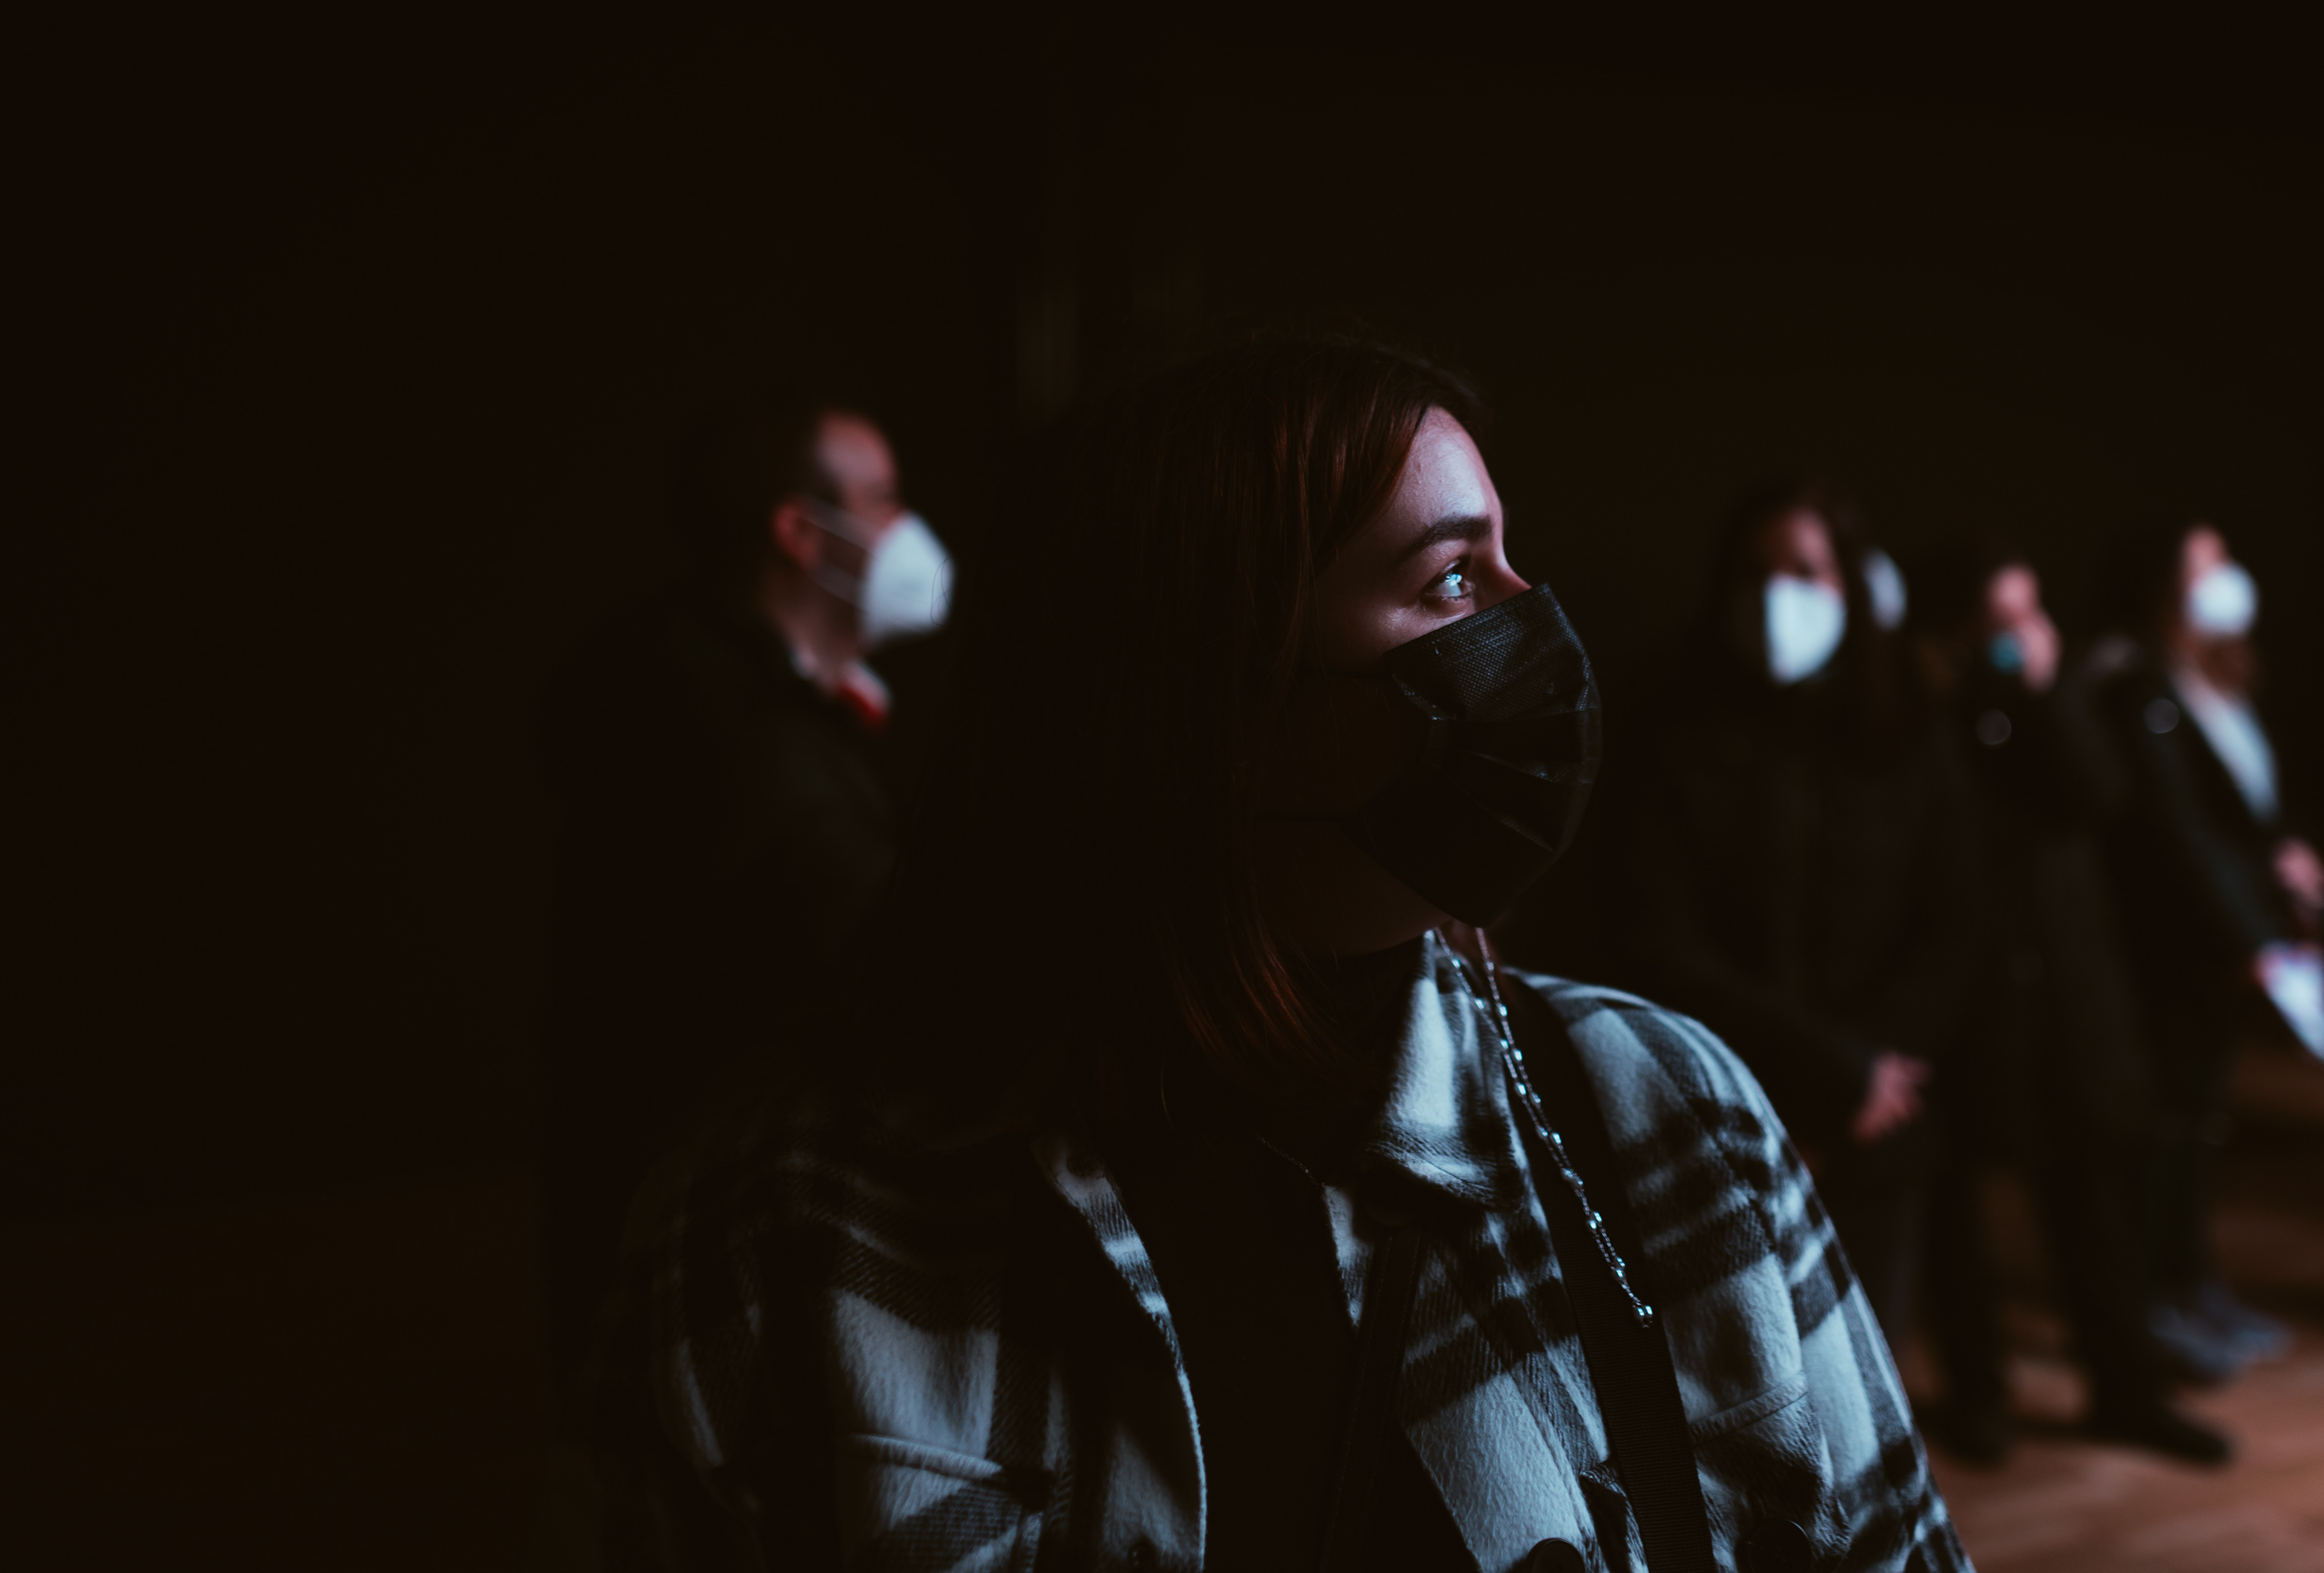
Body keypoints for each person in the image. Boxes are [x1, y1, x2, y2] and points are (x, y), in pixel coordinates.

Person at [599, 339, 1966, 1572]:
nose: (1532, 623)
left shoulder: (1667, 1110)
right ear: (1217, 698)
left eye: (1508, 560)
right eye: (1451, 578)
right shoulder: (781, 1239)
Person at [538, 395, 953, 1389]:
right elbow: (881, 970)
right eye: (884, 497)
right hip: (714, 1244)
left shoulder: (763, 700)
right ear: (801, 534)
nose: (909, 528)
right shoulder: (734, 743)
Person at [1597, 479, 1986, 1355]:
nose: (1779, 595)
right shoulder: (1664, 720)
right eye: (1756, 571)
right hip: (1716, 1120)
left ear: (1850, 581)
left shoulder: (1910, 727)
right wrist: (1817, 1071)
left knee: (1863, 1376)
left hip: (1878, 1124)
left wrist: (1865, 1080)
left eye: (1807, 571)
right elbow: (1655, 936)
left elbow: (1956, 923)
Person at [1905, 539, 2234, 1466]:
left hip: (2066, 989)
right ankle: (1980, 1395)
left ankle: (2127, 1389)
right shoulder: (1923, 713)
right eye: (2001, 618)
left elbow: (2100, 791)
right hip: (1967, 999)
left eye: (2031, 611)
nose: (2023, 633)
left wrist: (2045, 692)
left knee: (2093, 1205)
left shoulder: (2049, 707)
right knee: (1955, 1212)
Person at [2082, 520, 2324, 1383]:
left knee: (2201, 1121)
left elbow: (2240, 809)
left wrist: (2283, 859)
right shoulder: (2133, 682)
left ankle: (2191, 1278)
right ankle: (2153, 1296)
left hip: (2220, 946)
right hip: (2167, 949)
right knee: (2163, 1123)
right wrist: (2246, 934)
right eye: (2205, 566)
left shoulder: (2216, 679)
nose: (2227, 579)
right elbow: (2174, 833)